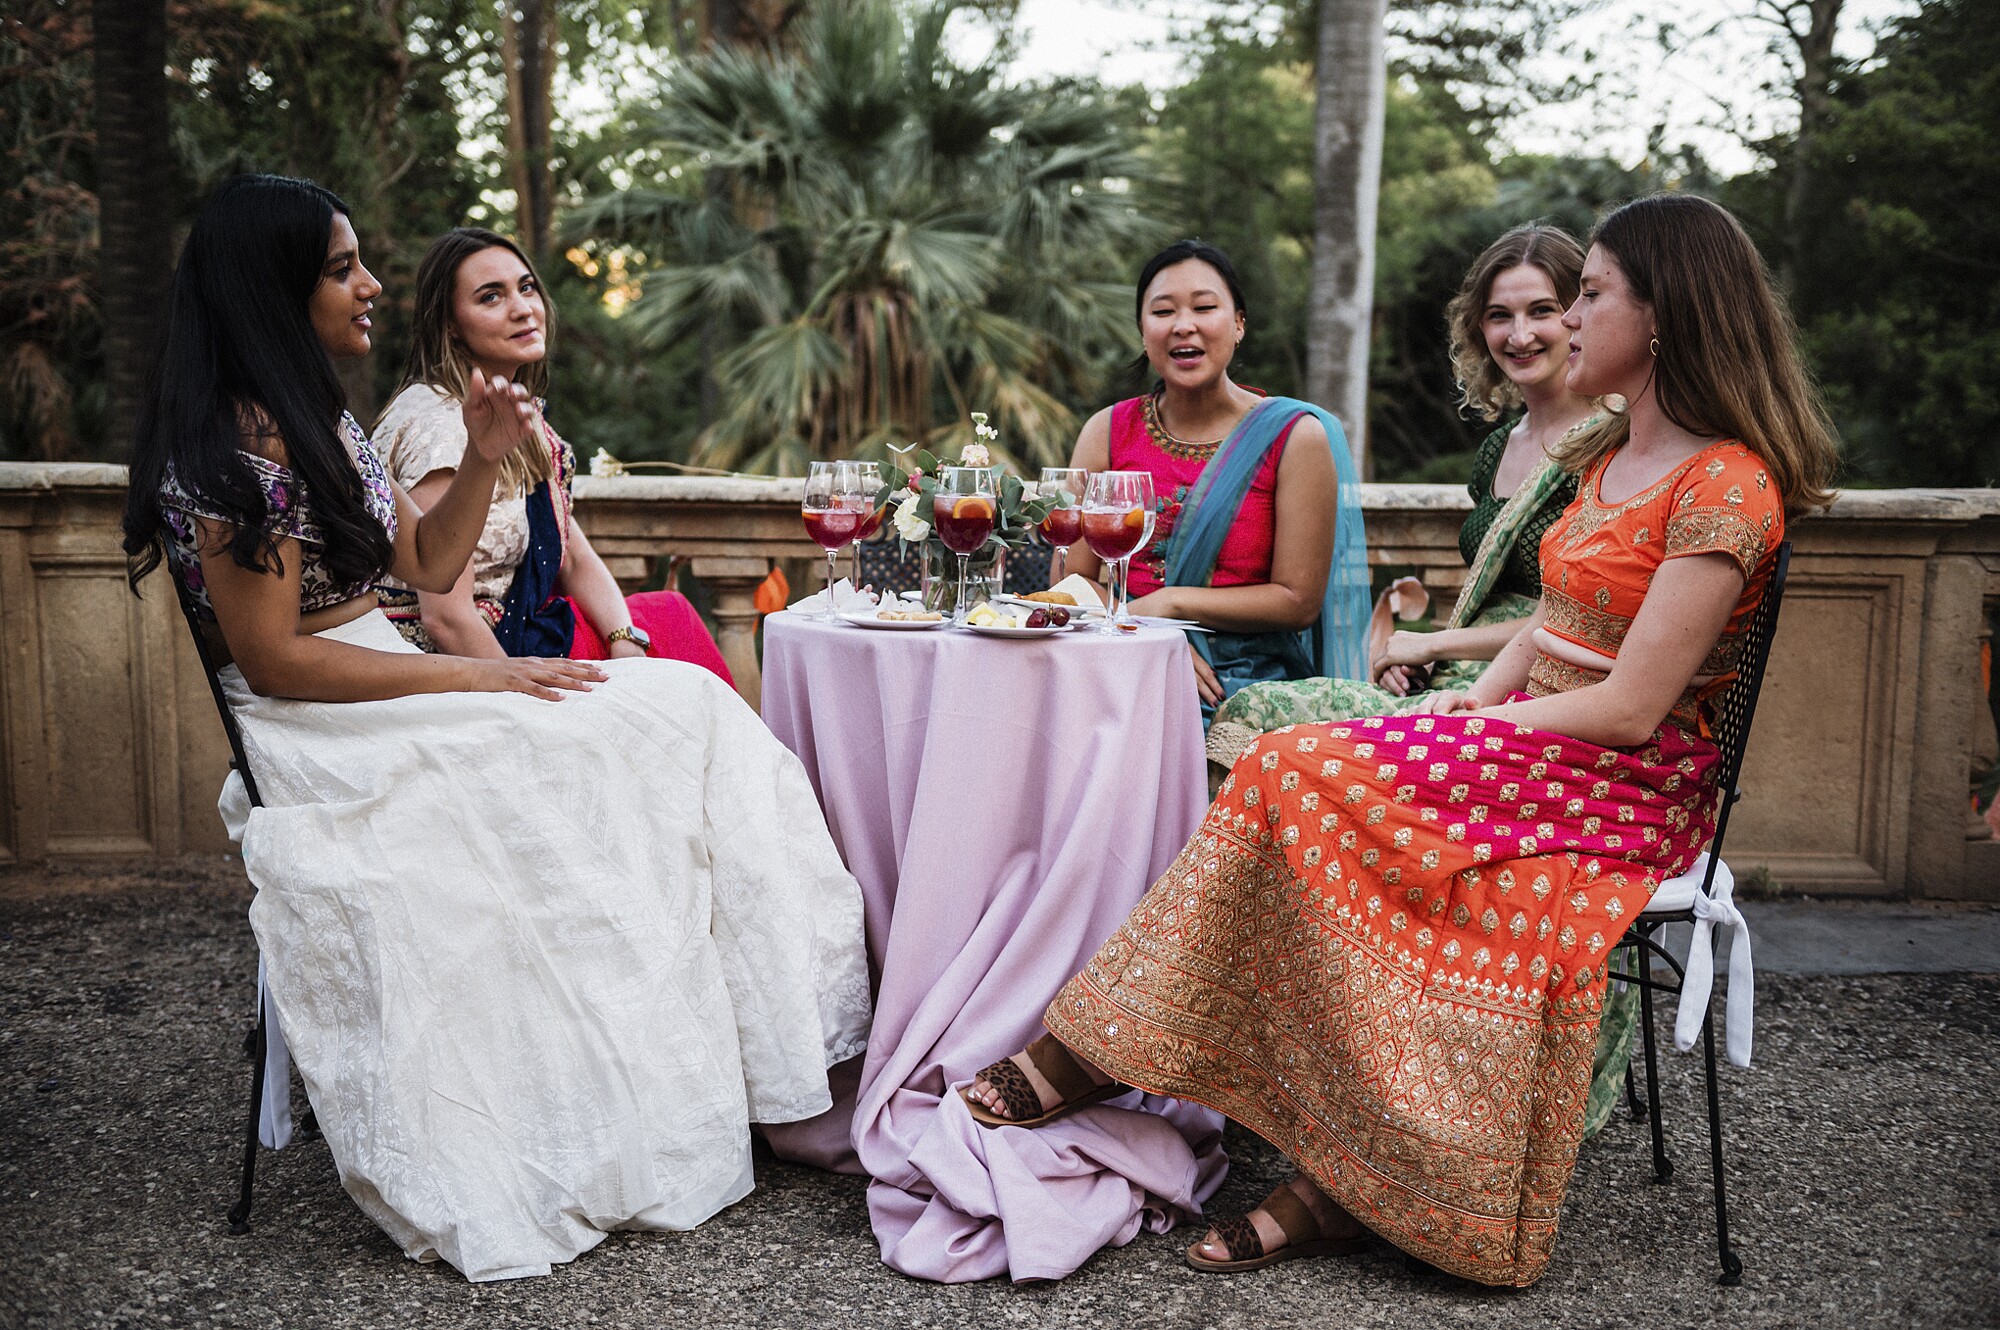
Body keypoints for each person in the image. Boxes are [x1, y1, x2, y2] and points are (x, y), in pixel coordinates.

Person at [964, 194, 1836, 1287]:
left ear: (1662, 317)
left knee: (1286, 769)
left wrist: (1472, 726)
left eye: (1593, 293)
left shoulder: (1725, 484)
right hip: (1536, 739)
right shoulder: (1613, 448)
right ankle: (1299, 1141)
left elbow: (1626, 710)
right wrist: (1462, 711)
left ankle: (1118, 1058)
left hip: (1621, 778)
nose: (1569, 318)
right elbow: (1551, 622)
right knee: (1292, 779)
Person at [121, 175, 870, 1282]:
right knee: (644, 728)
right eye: (340, 267)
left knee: (687, 707)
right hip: (316, 719)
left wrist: (478, 456)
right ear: (272, 287)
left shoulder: (318, 415)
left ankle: (780, 1063)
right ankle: (713, 1083)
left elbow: (424, 564)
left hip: (379, 676)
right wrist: (482, 683)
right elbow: (274, 657)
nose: (369, 283)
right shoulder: (235, 447)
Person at [1207, 224, 1597, 766]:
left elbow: (1580, 617)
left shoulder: (1607, 446)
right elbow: (1486, 604)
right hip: (1462, 674)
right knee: (1251, 711)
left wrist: (1433, 644)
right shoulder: (1497, 451)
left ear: (1580, 316)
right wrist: (1415, 659)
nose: (1519, 335)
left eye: (1542, 310)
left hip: (1540, 693)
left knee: (1261, 713)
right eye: (1499, 315)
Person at [372, 227, 731, 679]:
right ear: (449, 325)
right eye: (490, 297)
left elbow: (572, 556)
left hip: (520, 625)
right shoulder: (441, 428)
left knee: (664, 618)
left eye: (526, 288)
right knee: (672, 638)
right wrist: (529, 706)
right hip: (462, 658)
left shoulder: (512, 412)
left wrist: (625, 642)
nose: (523, 309)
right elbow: (445, 618)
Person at [1059, 240, 1370, 713]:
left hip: (1241, 681)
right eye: (1163, 312)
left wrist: (1172, 604)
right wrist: (1151, 639)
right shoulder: (1107, 431)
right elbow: (1070, 582)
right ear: (1143, 330)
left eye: (1205, 307)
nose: (1185, 325)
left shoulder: (1294, 436)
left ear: (1239, 323)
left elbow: (1298, 600)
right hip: (1118, 655)